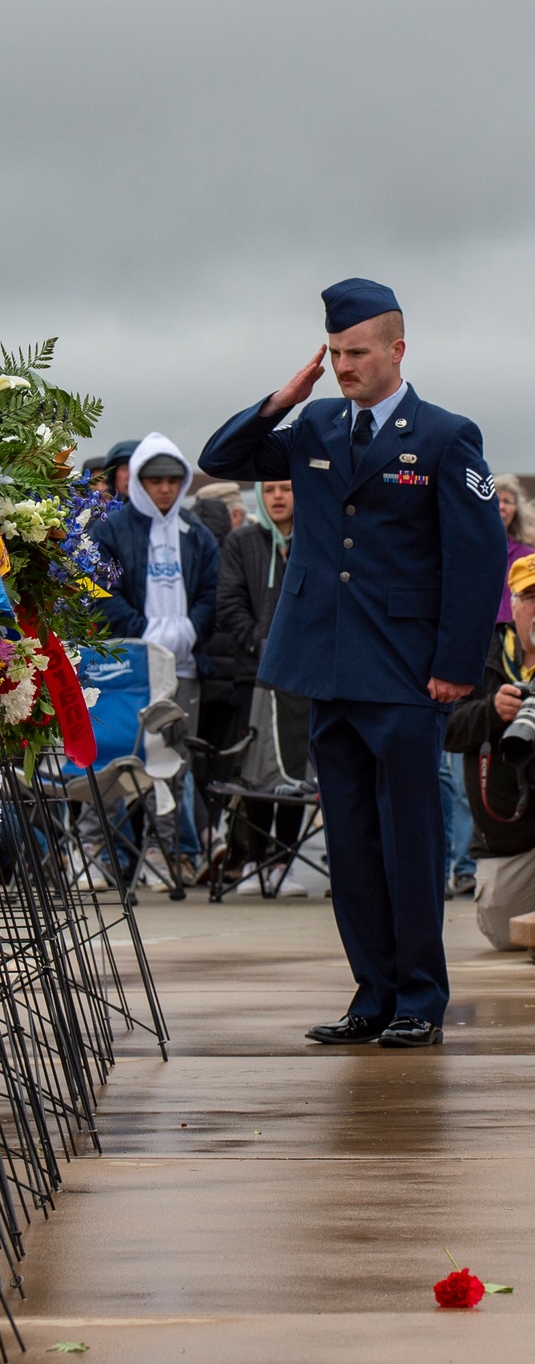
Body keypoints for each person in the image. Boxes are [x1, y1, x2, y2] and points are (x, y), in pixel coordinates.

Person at [199, 277, 505, 1048]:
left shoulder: (444, 435)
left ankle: (419, 1000)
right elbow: (223, 455)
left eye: (357, 353)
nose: (343, 367)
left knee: (410, 837)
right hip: (325, 665)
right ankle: (370, 993)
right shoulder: (314, 425)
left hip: (406, 673)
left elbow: (475, 559)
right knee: (353, 838)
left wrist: (456, 665)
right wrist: (283, 395)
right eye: (333, 354)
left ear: (398, 349)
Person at [90, 432, 220, 885]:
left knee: (174, 766)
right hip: (127, 670)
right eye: (154, 479)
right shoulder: (110, 531)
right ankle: (116, 857)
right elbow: (97, 593)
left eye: (172, 479)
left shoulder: (196, 534)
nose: (164, 488)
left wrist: (188, 630)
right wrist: (144, 631)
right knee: (120, 765)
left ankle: (171, 853)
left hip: (183, 668)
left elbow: (212, 593)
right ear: (139, 481)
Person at [218, 480, 310, 897]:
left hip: (303, 678)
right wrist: (259, 640)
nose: (278, 496)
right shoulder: (242, 541)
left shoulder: (316, 536)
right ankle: (256, 859)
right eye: (270, 489)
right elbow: (229, 602)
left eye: (288, 488)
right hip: (253, 674)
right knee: (255, 774)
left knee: (291, 772)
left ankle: (283, 863)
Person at [444, 554, 535, 949]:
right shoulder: (482, 654)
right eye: (530, 596)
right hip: (509, 836)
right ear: (512, 603)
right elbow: (445, 730)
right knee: (505, 933)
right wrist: (492, 712)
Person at [494, 474, 535, 622]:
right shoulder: (471, 550)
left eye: (507, 501)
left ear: (517, 510)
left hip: (518, 632)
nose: (501, 507)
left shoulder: (527, 555)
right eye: (496, 500)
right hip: (482, 631)